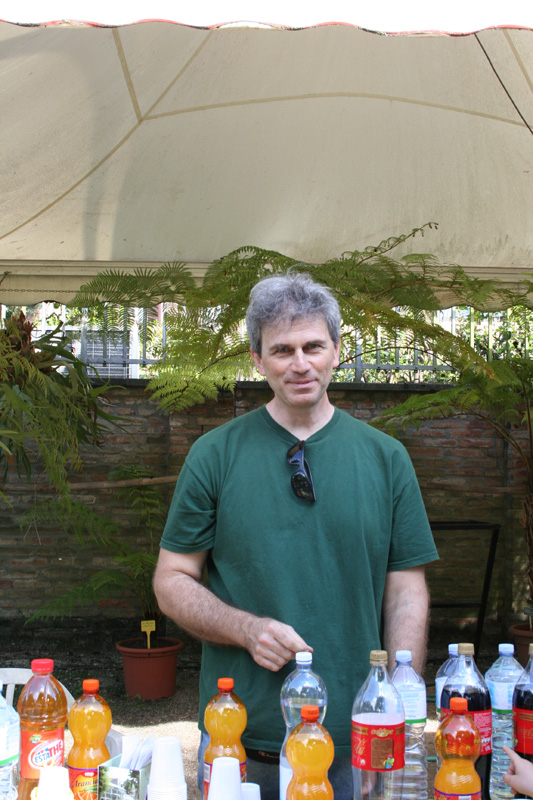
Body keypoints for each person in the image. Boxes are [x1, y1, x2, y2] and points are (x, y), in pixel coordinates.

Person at [154, 272, 438, 800]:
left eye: (313, 346)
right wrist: (245, 629)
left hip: (358, 734)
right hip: (240, 735)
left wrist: (400, 694)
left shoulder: (386, 459)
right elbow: (172, 579)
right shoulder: (214, 455)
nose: (300, 363)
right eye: (282, 350)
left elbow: (406, 590)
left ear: (337, 352)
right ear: (258, 360)